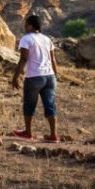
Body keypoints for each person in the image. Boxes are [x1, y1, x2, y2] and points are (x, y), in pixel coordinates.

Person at [11, 14, 60, 142]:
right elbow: (53, 59)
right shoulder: (47, 39)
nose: (24, 26)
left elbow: (23, 59)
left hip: (34, 76)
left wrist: (15, 77)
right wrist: (56, 75)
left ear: (31, 25)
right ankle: (53, 135)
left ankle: (28, 132)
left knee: (29, 104)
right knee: (50, 105)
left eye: (26, 24)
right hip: (49, 76)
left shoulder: (26, 39)